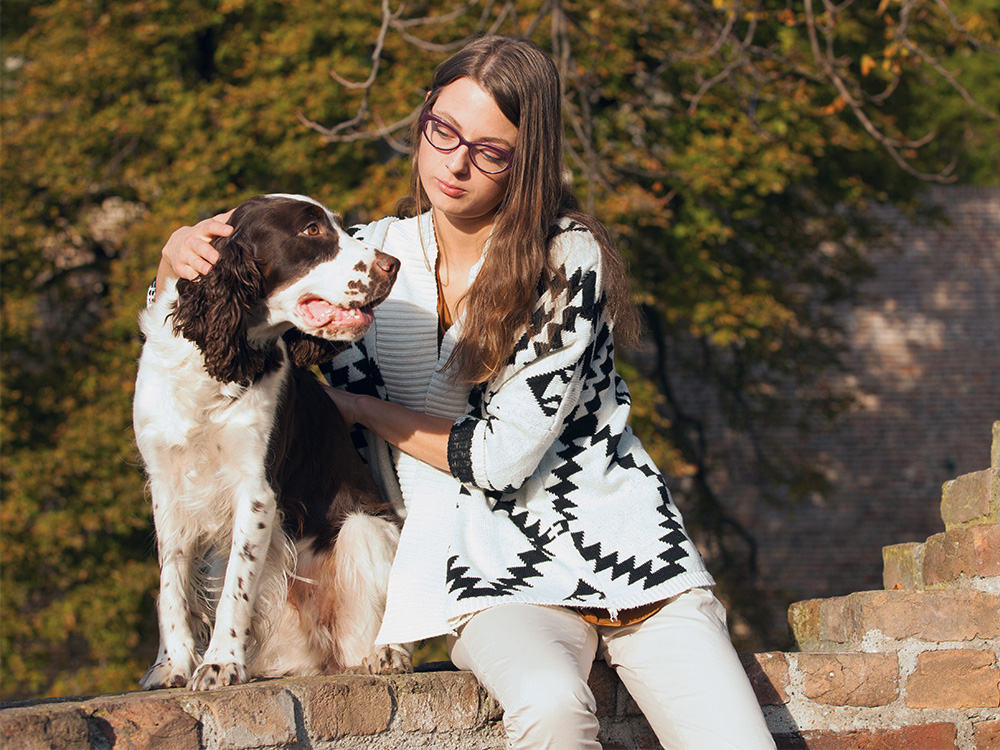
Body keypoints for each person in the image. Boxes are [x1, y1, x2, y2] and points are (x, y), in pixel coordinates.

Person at [157, 34, 776, 750]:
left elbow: (501, 457)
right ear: (421, 120)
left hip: (633, 554)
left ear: (528, 161)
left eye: (490, 151)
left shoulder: (566, 259)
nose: (455, 163)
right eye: (443, 131)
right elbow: (231, 333)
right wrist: (175, 260)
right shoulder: (368, 260)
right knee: (548, 707)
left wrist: (357, 408)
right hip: (485, 573)